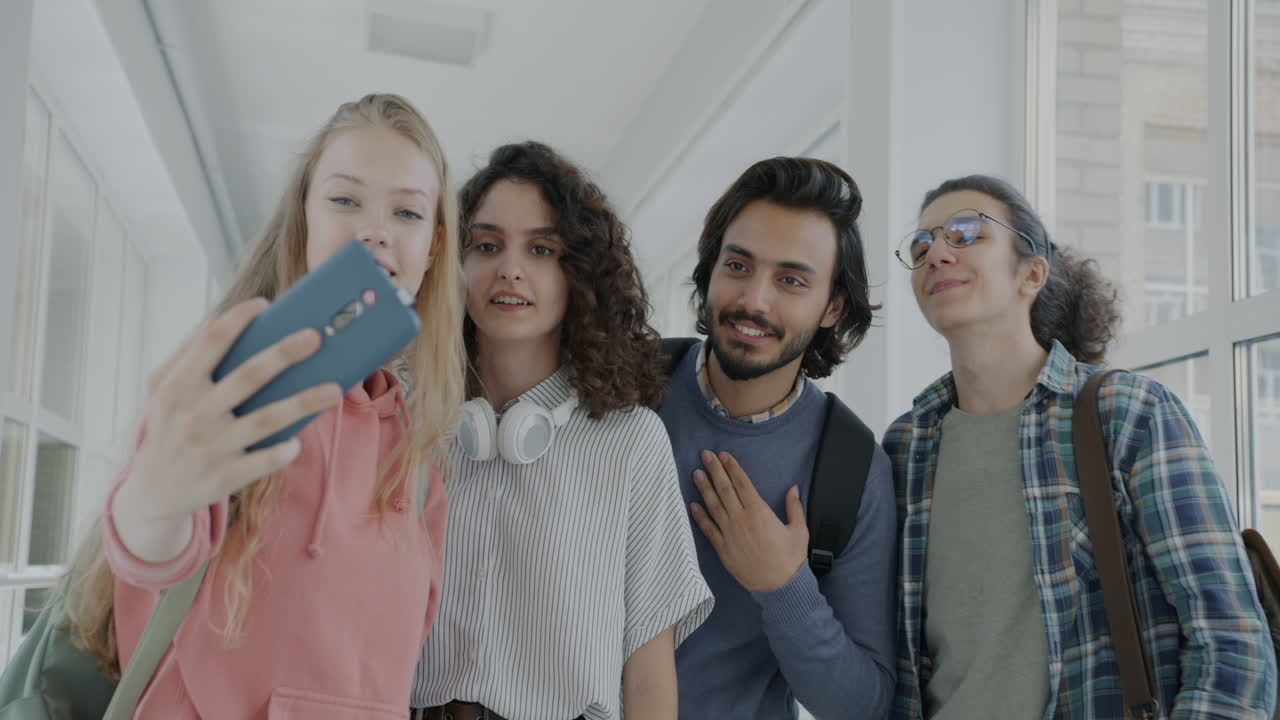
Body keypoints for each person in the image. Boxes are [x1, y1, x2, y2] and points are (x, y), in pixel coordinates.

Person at [60, 92, 466, 718]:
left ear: (433, 247)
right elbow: (150, 551)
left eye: (407, 213)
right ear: (303, 220)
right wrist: (155, 496)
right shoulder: (228, 384)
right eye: (344, 200)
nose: (375, 229)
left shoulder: (418, 466)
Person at [884, 173, 1277, 719]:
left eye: (966, 233)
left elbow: (1231, 640)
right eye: (921, 244)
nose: (936, 254)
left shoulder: (1129, 414)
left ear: (1032, 273)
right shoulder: (905, 447)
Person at [410, 141, 712, 720]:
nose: (510, 269)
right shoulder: (411, 422)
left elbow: (648, 677)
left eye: (542, 248)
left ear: (579, 274)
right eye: (487, 244)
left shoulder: (631, 442)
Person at [658, 157, 896, 719]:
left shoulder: (852, 470)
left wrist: (783, 586)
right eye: (737, 265)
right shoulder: (620, 387)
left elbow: (864, 705)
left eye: (791, 280)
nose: (754, 300)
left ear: (833, 306)